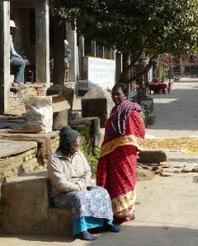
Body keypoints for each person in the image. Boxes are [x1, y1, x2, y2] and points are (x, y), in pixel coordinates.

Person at [48, 126, 120, 241]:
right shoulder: (54, 160)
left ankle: (105, 223)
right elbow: (61, 183)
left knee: (102, 192)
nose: (80, 144)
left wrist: (82, 185)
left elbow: (87, 172)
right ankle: (82, 230)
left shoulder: (79, 155)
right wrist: (78, 188)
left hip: (82, 187)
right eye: (78, 142)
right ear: (69, 144)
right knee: (80, 197)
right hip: (62, 195)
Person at [96, 83, 146, 224]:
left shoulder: (130, 110)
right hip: (113, 153)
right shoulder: (115, 110)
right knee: (115, 182)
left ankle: (126, 212)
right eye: (113, 94)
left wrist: (125, 144)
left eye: (118, 94)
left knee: (126, 181)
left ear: (125, 95)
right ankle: (118, 212)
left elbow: (139, 130)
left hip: (125, 154)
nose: (115, 97)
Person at [9, 20, 27, 87]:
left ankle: (20, 81)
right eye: (11, 28)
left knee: (20, 62)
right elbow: (12, 51)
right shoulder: (9, 36)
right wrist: (19, 56)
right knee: (22, 62)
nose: (12, 30)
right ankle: (17, 81)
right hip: (8, 58)